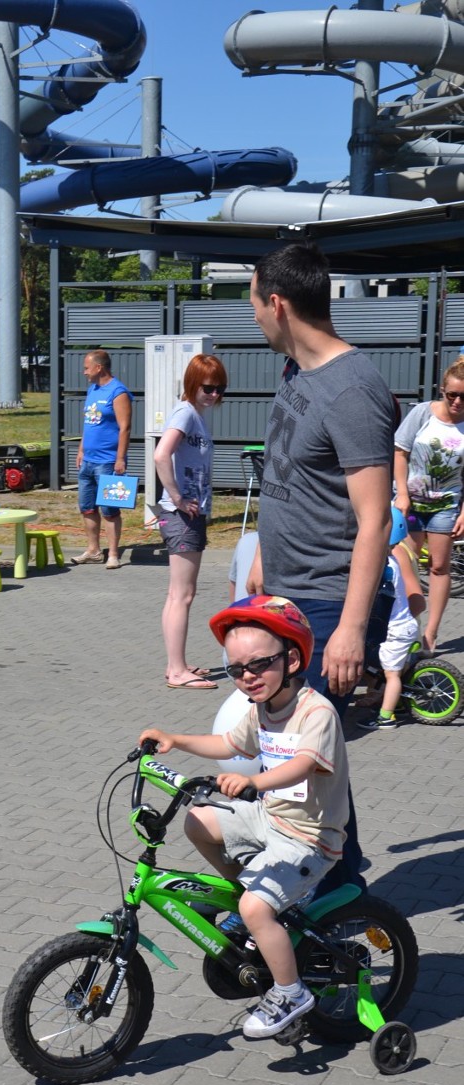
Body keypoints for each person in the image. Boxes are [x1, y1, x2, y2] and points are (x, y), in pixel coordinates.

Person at [246, 242, 396, 890]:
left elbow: (376, 519)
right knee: (299, 752)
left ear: (277, 304)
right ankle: (333, 898)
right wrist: (256, 555)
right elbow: (285, 477)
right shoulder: (295, 373)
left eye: (253, 304)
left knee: (300, 754)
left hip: (330, 603)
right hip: (284, 594)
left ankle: (328, 902)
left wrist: (350, 629)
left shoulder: (354, 389)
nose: (251, 317)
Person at [139, 595, 348, 1040]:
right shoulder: (262, 709)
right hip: (269, 818)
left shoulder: (317, 711)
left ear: (292, 658)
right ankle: (251, 899)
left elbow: (304, 764)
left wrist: (257, 783)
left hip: (310, 837)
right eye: (236, 670)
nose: (247, 677)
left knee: (256, 907)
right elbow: (230, 745)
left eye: (258, 665)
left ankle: (290, 992)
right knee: (199, 820)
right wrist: (174, 739)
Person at [154, 354, 228, 689]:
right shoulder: (185, 411)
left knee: (179, 594)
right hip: (182, 514)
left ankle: (176, 665)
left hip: (185, 513)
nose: (214, 395)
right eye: (208, 388)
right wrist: (178, 498)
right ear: (193, 385)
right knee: (182, 595)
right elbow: (160, 454)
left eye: (219, 389)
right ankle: (177, 671)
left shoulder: (194, 415)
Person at [393, 356, 464, 652]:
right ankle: (408, 628)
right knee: (404, 565)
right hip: (411, 505)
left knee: (438, 567)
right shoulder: (423, 413)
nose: (457, 401)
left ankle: (430, 635)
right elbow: (400, 452)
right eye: (452, 394)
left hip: (445, 507)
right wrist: (402, 495)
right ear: (442, 390)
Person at [359, 508, 425, 732]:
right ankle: (391, 699)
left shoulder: (385, 568)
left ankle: (386, 717)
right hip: (400, 626)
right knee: (385, 668)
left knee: (392, 674)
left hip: (396, 629)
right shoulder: (392, 561)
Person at [71, 349, 131, 569]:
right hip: (88, 460)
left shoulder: (118, 392)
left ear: (99, 367)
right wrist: (80, 450)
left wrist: (120, 458)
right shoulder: (92, 390)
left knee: (109, 509)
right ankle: (93, 550)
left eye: (87, 368)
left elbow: (125, 428)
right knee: (87, 507)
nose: (84, 372)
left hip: (108, 461)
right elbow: (89, 423)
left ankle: (113, 554)